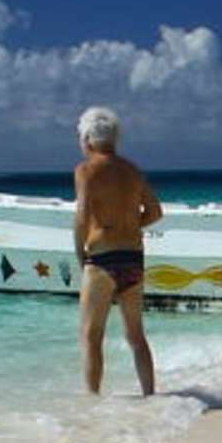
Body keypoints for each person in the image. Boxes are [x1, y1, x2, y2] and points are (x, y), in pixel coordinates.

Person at [72, 105, 162, 395]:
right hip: (133, 258)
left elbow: (82, 217)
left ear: (87, 138)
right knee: (136, 336)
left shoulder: (85, 171)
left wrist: (80, 253)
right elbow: (155, 212)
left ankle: (92, 403)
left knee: (91, 336)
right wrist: (132, 225)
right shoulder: (132, 171)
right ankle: (150, 396)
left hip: (102, 259)